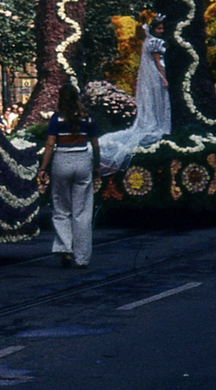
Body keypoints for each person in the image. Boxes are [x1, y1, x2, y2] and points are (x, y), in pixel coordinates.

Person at [37, 83, 99, 269]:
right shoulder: (87, 119)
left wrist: (43, 167)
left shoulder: (56, 119)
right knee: (82, 212)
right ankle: (82, 257)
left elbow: (50, 145)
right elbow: (95, 145)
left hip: (61, 161)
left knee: (61, 207)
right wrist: (96, 167)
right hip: (82, 161)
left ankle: (65, 249)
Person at [100, 17, 172, 172]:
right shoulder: (155, 42)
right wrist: (163, 78)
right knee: (159, 100)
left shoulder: (148, 40)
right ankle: (160, 124)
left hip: (153, 75)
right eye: (159, 28)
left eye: (162, 28)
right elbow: (157, 61)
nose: (162, 31)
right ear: (154, 29)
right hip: (156, 75)